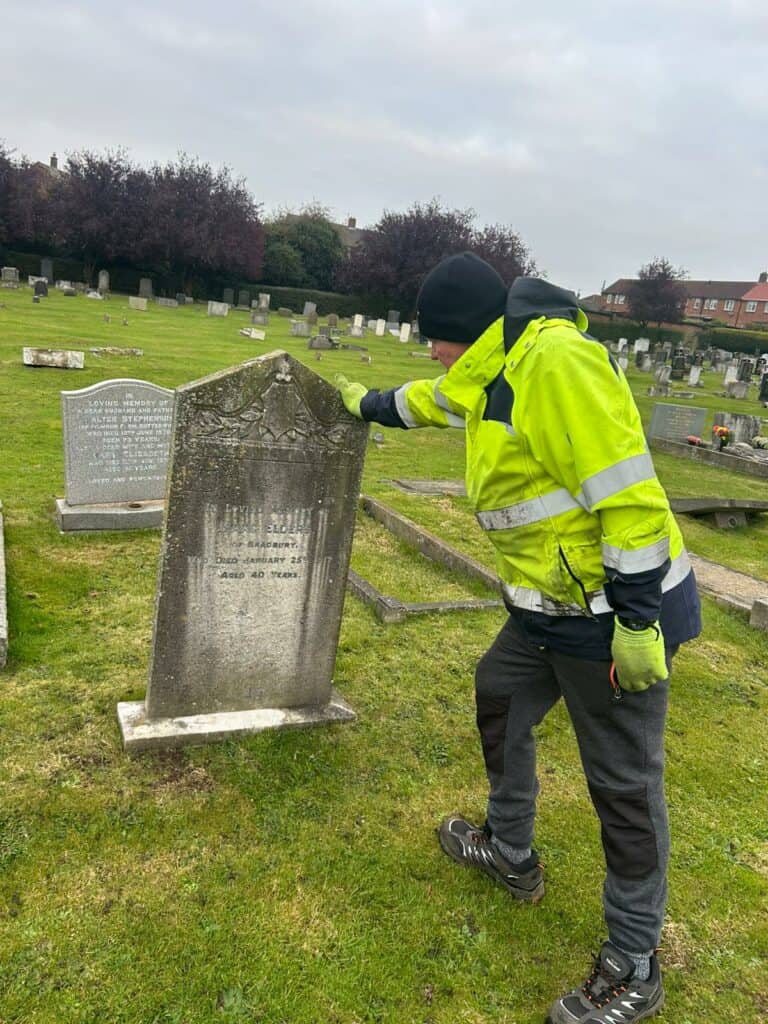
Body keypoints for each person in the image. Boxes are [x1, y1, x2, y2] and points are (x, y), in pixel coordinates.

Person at [335, 252, 701, 1024]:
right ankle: (511, 852)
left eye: (434, 335)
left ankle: (634, 963)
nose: (427, 348)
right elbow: (431, 399)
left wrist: (638, 623)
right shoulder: (487, 366)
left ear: (466, 331)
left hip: (612, 616)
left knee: (623, 787)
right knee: (498, 697)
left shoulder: (555, 363)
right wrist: (361, 403)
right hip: (545, 611)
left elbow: (629, 496)